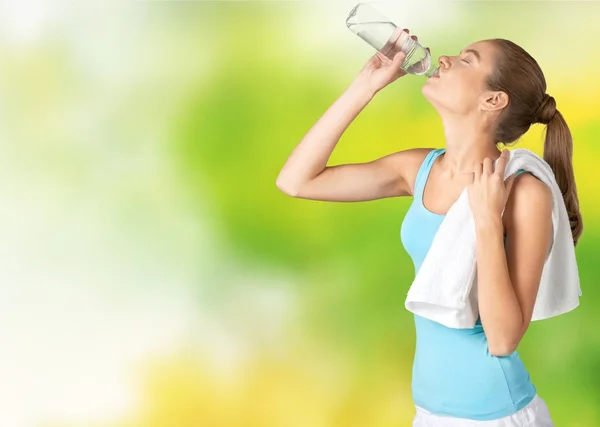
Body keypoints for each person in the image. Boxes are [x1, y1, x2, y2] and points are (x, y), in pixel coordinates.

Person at [276, 30, 582, 426]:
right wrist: (365, 85)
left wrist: (487, 220)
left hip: (497, 416)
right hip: (430, 414)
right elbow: (297, 181)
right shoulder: (417, 169)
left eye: (467, 59)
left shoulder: (522, 191)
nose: (446, 59)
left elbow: (504, 338)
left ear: (493, 100)